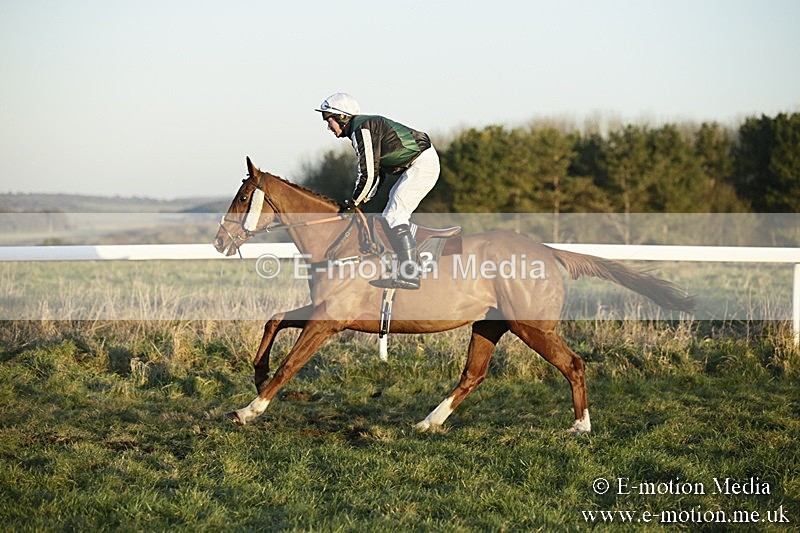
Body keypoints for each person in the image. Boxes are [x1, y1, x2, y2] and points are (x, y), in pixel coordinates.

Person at [315, 92, 440, 290]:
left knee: (394, 216)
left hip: (422, 164)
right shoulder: (362, 129)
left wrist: (355, 201)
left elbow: (368, 173)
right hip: (417, 164)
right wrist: (361, 201)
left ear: (342, 117)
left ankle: (411, 274)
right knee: (389, 215)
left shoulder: (362, 129)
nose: (328, 127)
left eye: (328, 120)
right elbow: (377, 175)